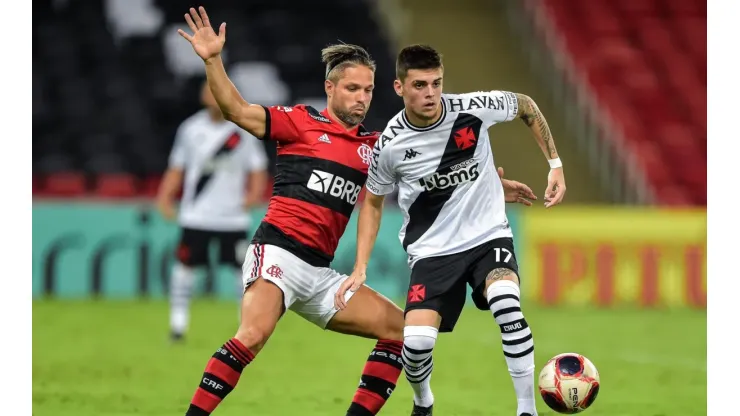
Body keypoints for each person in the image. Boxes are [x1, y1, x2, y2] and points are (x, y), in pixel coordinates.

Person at [176, 7, 537, 416]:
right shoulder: (299, 123)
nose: (362, 98)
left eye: (368, 90)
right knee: (253, 335)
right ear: (329, 87)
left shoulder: (376, 147)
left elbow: (426, 177)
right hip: (277, 252)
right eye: (352, 89)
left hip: (320, 271)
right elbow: (237, 111)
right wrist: (212, 60)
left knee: (403, 332)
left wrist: (487, 185)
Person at [337, 44, 567, 416]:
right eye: (420, 85)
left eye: (436, 83)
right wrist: (361, 266)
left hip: (488, 235)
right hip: (432, 251)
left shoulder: (472, 109)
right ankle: (423, 401)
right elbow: (374, 204)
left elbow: (525, 104)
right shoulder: (390, 146)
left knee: (507, 306)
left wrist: (554, 164)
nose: (430, 94)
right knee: (416, 344)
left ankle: (527, 409)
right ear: (399, 88)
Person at [156, 80, 268, 342]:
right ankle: (178, 326)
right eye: (208, 90)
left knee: (241, 273)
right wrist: (165, 196)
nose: (212, 94)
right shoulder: (190, 128)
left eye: (216, 89)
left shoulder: (243, 130)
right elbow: (177, 167)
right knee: (185, 268)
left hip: (232, 218)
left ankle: (246, 329)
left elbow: (258, 168)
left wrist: (252, 196)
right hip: (196, 215)